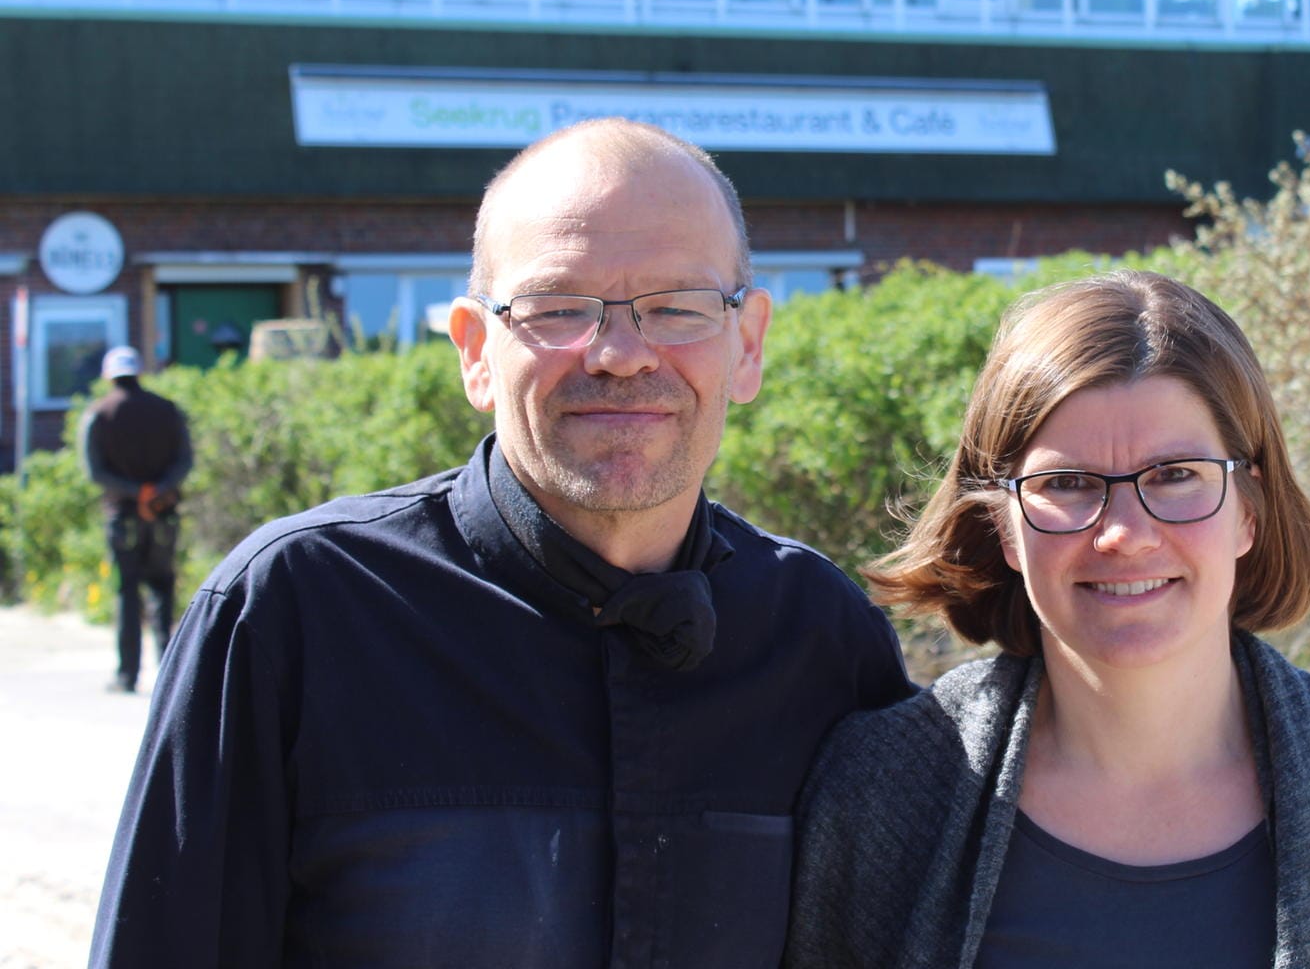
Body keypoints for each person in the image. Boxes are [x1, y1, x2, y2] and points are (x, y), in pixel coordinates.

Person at [89, 119, 914, 968]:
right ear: (476, 352)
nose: (622, 354)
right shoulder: (293, 617)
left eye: (677, 307)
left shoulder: (823, 639)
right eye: (559, 308)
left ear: (747, 346)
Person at [785, 271, 1310, 968]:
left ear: (1249, 507)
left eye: (1175, 475)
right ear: (1006, 528)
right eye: (1066, 484)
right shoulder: (880, 792)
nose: (1125, 533)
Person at [79, 344, 193, 694]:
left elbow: (95, 471)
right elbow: (185, 461)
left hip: (123, 515)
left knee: (126, 592)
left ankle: (127, 674)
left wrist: (134, 491)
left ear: (107, 375)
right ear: (140, 372)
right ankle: (168, 671)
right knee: (163, 588)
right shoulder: (168, 410)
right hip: (163, 513)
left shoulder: (99, 413)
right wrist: (156, 490)